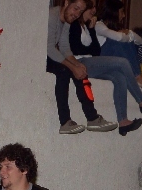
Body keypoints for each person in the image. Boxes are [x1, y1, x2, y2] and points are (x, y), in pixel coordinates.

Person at [68, 1, 142, 135]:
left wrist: (91, 30)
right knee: (122, 62)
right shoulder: (74, 24)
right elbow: (75, 48)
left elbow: (95, 50)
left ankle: (123, 122)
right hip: (79, 62)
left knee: (119, 77)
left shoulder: (88, 27)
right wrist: (92, 34)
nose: (93, 11)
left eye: (94, 8)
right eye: (90, 8)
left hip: (91, 61)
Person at [47, 0, 117, 135]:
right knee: (65, 71)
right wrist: (72, 66)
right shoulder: (52, 16)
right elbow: (49, 48)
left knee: (80, 70)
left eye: (80, 11)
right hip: (38, 57)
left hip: (50, 54)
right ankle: (65, 121)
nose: (76, 14)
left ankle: (92, 118)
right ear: (66, 3)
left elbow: (64, 47)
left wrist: (77, 64)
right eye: (76, 8)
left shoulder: (68, 20)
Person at [95, 0, 142, 91]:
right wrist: (126, 35)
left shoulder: (117, 28)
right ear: (113, 12)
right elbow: (118, 38)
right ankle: (137, 76)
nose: (124, 15)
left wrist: (129, 33)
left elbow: (140, 41)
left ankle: (137, 76)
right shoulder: (98, 25)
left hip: (115, 61)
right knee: (117, 42)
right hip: (101, 60)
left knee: (129, 42)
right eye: (122, 12)